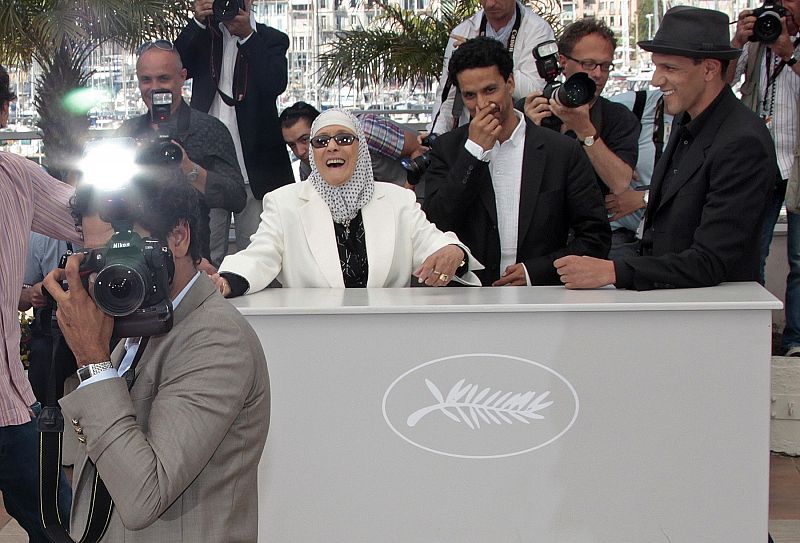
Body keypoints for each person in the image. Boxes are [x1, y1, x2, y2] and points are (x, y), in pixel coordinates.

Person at [42, 169, 270, 541]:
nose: (108, 275)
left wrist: (93, 361)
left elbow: (144, 495)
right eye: (96, 258)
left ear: (178, 238)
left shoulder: (215, 338)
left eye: (123, 253)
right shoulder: (136, 321)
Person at [554, 6, 776, 291]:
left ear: (709, 69)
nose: (656, 80)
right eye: (657, 66)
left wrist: (612, 271)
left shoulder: (742, 141)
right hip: (675, 308)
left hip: (714, 319)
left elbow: (711, 261)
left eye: (669, 68)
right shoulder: (688, 123)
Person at [214, 109, 483, 293]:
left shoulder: (398, 200)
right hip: (315, 338)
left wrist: (454, 253)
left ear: (360, 148)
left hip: (387, 336)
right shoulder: (284, 203)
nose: (332, 147)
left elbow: (435, 244)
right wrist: (228, 281)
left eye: (344, 139)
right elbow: (261, 255)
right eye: (321, 141)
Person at [421, 37, 610, 287]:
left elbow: (595, 237)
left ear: (510, 84)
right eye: (469, 95)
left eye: (490, 90)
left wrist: (536, 272)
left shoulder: (561, 151)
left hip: (540, 297)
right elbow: (435, 224)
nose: (481, 105)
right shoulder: (448, 148)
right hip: (468, 296)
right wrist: (473, 154)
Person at [0, 64, 75, 542]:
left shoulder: (15, 177)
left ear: (4, 110)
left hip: (10, 402)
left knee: (66, 527)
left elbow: (93, 215)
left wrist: (179, 246)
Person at [176, 0, 294, 267]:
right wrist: (197, 21)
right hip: (208, 167)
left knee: (255, 255)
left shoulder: (271, 40)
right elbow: (176, 66)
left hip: (254, 167)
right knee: (205, 254)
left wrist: (248, 37)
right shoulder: (206, 37)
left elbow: (274, 83)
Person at [117, 40, 246, 263]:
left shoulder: (209, 129)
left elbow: (236, 198)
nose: (154, 87)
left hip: (191, 258)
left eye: (163, 78)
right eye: (146, 79)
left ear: (182, 77)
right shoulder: (127, 132)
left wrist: (189, 169)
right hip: (132, 256)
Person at [729, 0, 800, 355]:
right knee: (751, 251)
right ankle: (750, 336)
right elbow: (722, 82)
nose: (782, 16)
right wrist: (738, 42)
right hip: (759, 162)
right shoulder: (757, 42)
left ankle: (795, 341)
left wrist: (789, 53)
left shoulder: (789, 47)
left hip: (796, 163)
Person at [524, 18, 641, 197]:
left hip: (589, 221)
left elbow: (620, 183)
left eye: (605, 66)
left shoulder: (619, 118)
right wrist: (525, 131)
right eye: (588, 64)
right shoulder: (531, 109)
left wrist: (584, 129)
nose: (597, 74)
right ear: (563, 62)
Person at [429, 0, 554, 135]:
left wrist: (483, 56)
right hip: (471, 134)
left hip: (519, 134)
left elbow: (534, 90)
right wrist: (435, 135)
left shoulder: (537, 29)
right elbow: (447, 97)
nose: (490, 4)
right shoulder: (463, 30)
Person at [280, 101, 426, 186]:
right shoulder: (307, 167)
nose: (299, 152)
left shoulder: (365, 130)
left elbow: (419, 147)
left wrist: (408, 198)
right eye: (292, 145)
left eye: (304, 139)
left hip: (418, 194)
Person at [606, 89, 672, 258]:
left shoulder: (717, 125)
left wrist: (646, 198)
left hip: (672, 241)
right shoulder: (634, 105)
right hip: (620, 236)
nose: (657, 79)